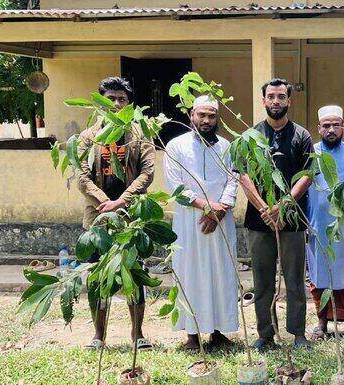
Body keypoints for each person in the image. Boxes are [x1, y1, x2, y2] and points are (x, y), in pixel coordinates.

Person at [76, 77, 155, 351]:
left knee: (134, 274)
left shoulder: (139, 136)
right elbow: (82, 177)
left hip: (131, 218)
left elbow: (147, 172)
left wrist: (122, 201)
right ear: (100, 102)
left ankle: (138, 334)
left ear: (129, 104)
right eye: (111, 98)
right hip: (98, 221)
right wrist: (104, 202)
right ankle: (98, 336)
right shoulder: (88, 138)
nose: (116, 103)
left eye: (122, 99)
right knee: (98, 277)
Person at [238, 78, 314, 351]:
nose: (276, 102)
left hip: (292, 218)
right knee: (262, 279)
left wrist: (282, 206)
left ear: (289, 101)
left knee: (294, 278)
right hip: (259, 221)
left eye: (281, 97)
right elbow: (244, 177)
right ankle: (265, 333)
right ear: (263, 100)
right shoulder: (251, 137)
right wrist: (264, 209)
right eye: (271, 96)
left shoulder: (302, 136)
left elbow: (307, 176)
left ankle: (298, 332)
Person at [165, 95, 239, 352]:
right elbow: (176, 186)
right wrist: (206, 206)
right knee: (190, 273)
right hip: (189, 222)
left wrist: (220, 211)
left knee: (222, 272)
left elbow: (234, 180)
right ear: (191, 116)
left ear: (218, 119)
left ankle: (219, 332)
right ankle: (192, 335)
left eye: (211, 116)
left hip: (221, 220)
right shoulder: (175, 146)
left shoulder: (227, 147)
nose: (206, 120)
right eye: (201, 115)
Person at [306, 105, 344, 341]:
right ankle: (322, 324)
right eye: (326, 126)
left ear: (343, 127)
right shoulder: (311, 154)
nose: (331, 130)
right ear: (319, 128)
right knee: (319, 275)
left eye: (335, 125)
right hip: (317, 225)